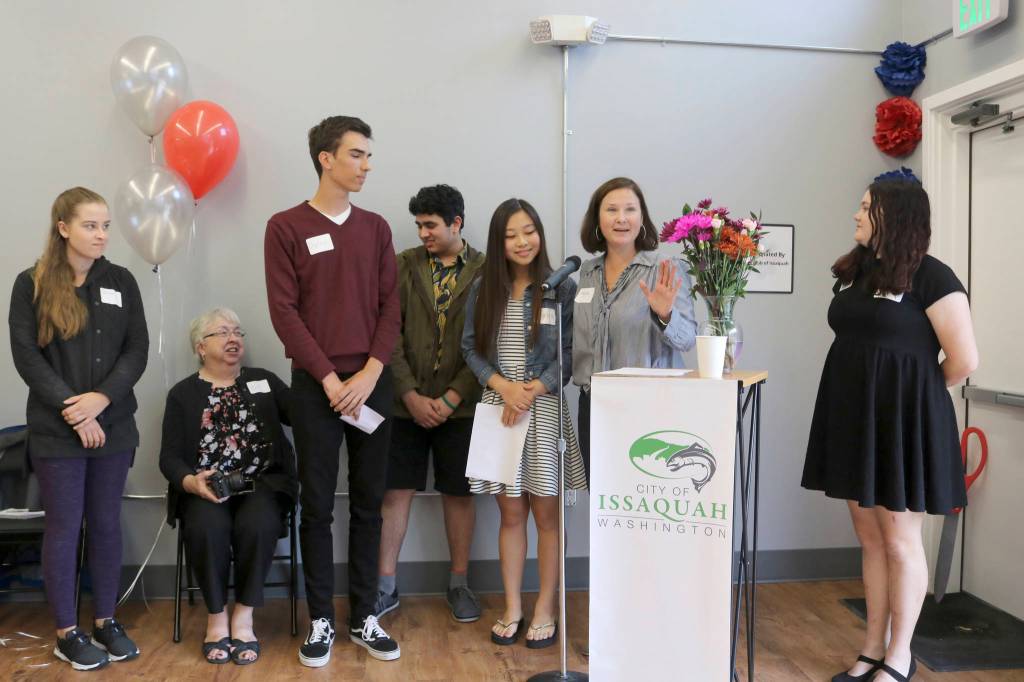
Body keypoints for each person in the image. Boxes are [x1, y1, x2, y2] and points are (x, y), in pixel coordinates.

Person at [802, 179, 978, 682]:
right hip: (855, 417)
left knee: (901, 540)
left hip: (905, 424)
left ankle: (900, 654)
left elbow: (965, 359)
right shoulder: (859, 270)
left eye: (865, 207)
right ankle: (871, 647)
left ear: (894, 215)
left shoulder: (933, 276)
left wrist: (914, 397)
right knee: (870, 538)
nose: (856, 214)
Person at [264, 115, 401, 666]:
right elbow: (284, 311)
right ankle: (321, 619)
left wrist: (369, 374)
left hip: (372, 383)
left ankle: (365, 615)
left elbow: (391, 306)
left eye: (369, 156)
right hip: (315, 386)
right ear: (326, 158)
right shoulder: (285, 227)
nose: (367, 165)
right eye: (357, 155)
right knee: (316, 506)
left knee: (370, 506)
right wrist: (328, 380)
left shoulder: (376, 228)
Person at [9, 187, 148, 671]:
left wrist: (101, 402)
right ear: (63, 227)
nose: (101, 234)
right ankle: (67, 631)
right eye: (91, 225)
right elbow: (27, 356)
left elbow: (136, 350)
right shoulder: (31, 283)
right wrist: (75, 410)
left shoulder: (122, 281)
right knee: (65, 529)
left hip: (113, 425)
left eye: (106, 225)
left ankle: (106, 620)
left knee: (107, 525)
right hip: (56, 431)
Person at [461, 198, 587, 649]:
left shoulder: (561, 289)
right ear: (499, 242)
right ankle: (513, 606)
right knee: (510, 514)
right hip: (500, 410)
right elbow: (470, 349)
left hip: (545, 408)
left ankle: (545, 608)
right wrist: (503, 386)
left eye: (529, 231)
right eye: (511, 234)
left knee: (547, 515)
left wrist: (532, 389)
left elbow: (572, 354)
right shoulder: (484, 287)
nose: (522, 241)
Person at [158, 308, 297, 665]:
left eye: (238, 332)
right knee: (206, 527)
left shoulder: (263, 380)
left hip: (261, 483)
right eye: (222, 333)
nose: (234, 338)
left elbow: (300, 414)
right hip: (206, 488)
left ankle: (244, 617)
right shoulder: (183, 394)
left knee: (259, 524)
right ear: (200, 347)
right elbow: (169, 457)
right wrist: (190, 482)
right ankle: (216, 617)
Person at [376, 185, 485, 623]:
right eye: (419, 225)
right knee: (395, 492)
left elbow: (490, 340)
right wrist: (409, 393)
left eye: (431, 225)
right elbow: (388, 334)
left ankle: (459, 584)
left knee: (458, 494)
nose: (423, 233)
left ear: (456, 223)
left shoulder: (485, 270)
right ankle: (385, 585)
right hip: (405, 405)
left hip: (461, 407)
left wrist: (453, 395)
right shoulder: (401, 265)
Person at [572, 177, 697, 482]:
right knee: (603, 502)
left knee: (646, 499)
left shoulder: (664, 267)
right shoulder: (587, 272)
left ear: (642, 217)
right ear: (597, 220)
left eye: (630, 209)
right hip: (596, 403)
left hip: (650, 403)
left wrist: (665, 313)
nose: (621, 218)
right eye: (611, 210)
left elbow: (688, 340)